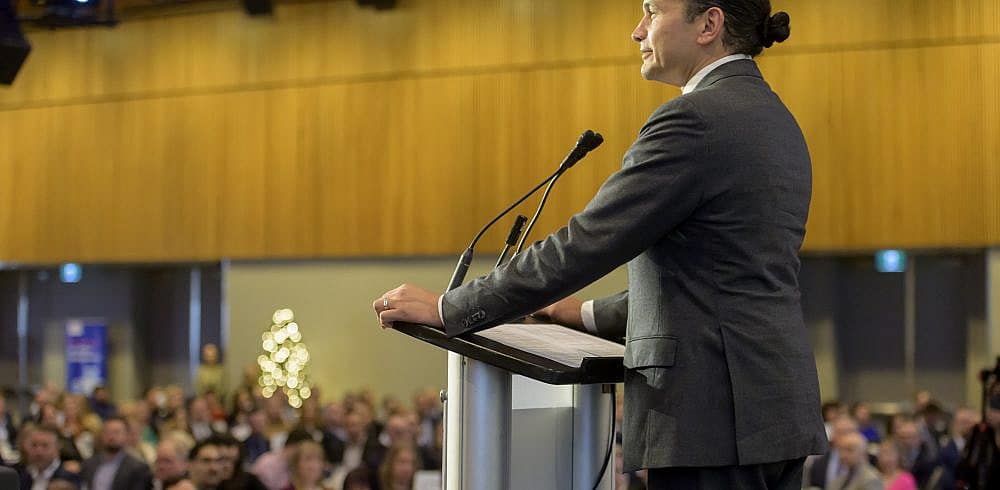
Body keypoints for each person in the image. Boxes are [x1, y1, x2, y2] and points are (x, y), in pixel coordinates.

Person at [372, 0, 826, 488]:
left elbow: (586, 244)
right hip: (774, 409)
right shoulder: (777, 119)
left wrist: (450, 307)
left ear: (709, 25)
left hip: (711, 417)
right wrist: (584, 314)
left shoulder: (695, 120)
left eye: (651, 12)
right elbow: (721, 281)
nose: (637, 31)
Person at [80, 416, 153, 490]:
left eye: (116, 432)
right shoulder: (88, 464)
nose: (111, 436)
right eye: (107, 432)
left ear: (126, 435)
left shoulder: (138, 469)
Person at [11, 425, 81, 490]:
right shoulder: (19, 475)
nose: (38, 452)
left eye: (45, 446)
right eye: (34, 445)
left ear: (57, 449)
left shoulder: (70, 478)